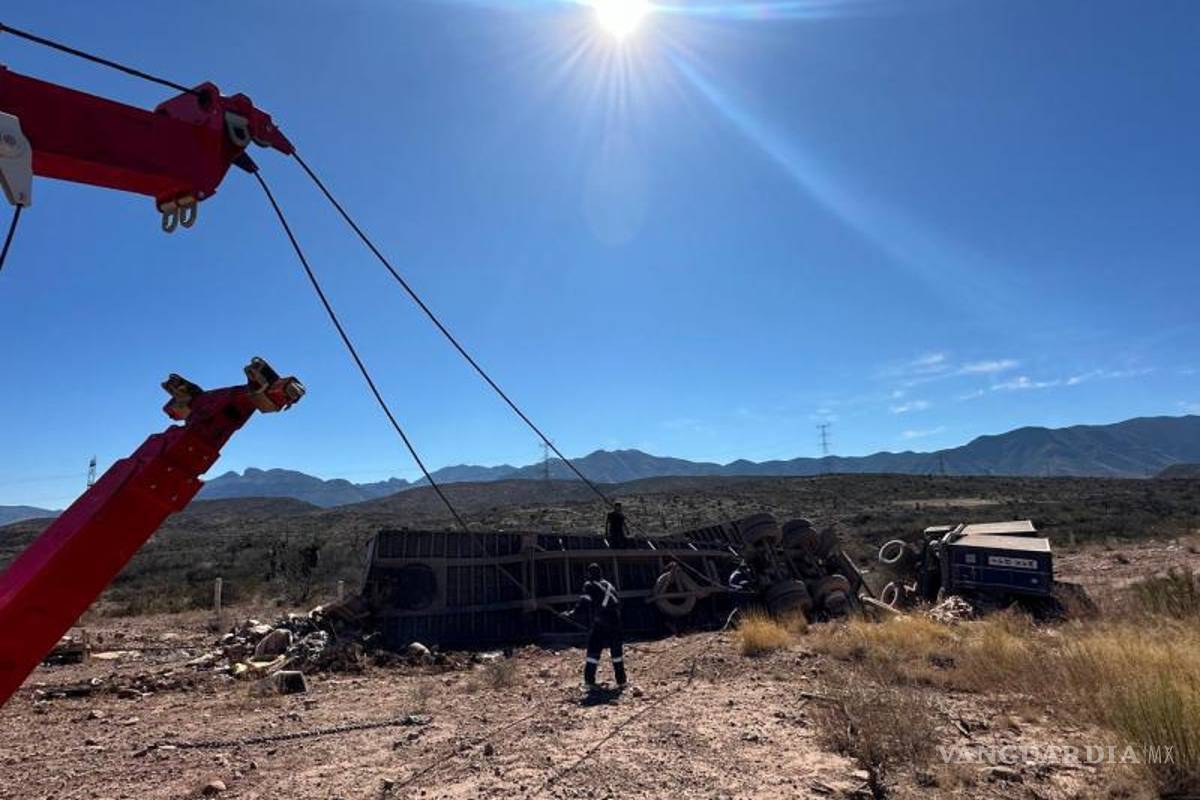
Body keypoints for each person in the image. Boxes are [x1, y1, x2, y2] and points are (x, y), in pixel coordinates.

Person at [567, 562, 626, 691]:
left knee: (593, 651)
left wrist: (571, 614)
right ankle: (621, 681)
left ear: (589, 574)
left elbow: (583, 603)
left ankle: (589, 681)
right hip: (616, 623)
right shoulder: (610, 585)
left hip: (601, 623)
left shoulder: (589, 585)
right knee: (616, 654)